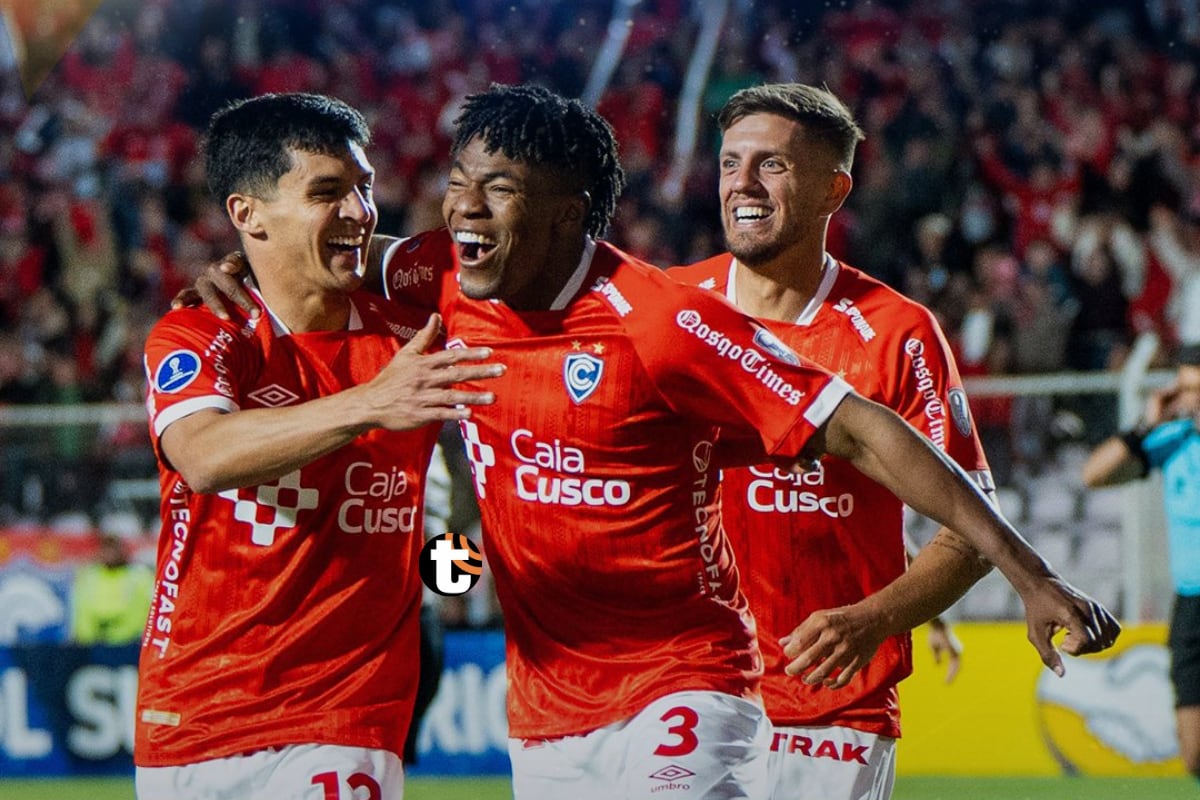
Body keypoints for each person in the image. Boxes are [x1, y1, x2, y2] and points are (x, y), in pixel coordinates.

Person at [196, 84, 1118, 799]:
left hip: (685, 680)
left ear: (567, 211)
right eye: (460, 183)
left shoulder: (663, 322)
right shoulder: (439, 276)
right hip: (547, 705)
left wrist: (1028, 573)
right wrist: (246, 259)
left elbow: (862, 431)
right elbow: (333, 255)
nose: (463, 211)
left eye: (498, 189)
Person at [135, 93, 502, 800]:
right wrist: (371, 403)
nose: (360, 211)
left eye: (364, 187)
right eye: (327, 192)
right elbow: (203, 456)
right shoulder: (202, 332)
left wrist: (453, 577)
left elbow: (523, 258)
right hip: (190, 716)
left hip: (343, 711)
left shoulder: (417, 330)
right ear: (248, 214)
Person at [666, 83, 993, 800]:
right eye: (730, 163)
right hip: (677, 692)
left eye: (772, 165)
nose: (743, 184)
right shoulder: (669, 310)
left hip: (829, 707)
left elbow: (973, 529)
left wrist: (876, 619)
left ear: (833, 190)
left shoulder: (898, 333)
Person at [1081, 342, 1200, 777]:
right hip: (1191, 604)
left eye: (1196, 388)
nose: (1189, 399)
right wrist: (1147, 423)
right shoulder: (1174, 440)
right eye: (1183, 388)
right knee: (1194, 755)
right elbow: (1095, 474)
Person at [70, 531, 155, 645]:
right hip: (94, 643)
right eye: (106, 549)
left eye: (113, 549)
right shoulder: (88, 576)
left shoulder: (140, 576)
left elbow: (151, 609)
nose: (110, 554)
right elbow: (81, 611)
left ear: (122, 551)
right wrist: (85, 639)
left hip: (132, 643)